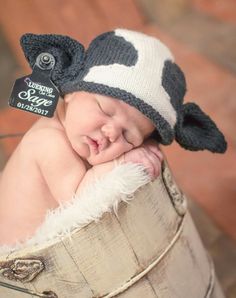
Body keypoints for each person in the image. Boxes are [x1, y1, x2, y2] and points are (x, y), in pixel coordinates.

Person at [0, 28, 227, 245]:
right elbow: (79, 203)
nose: (111, 133)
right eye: (105, 111)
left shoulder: (76, 129)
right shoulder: (49, 143)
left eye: (129, 137)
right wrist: (121, 161)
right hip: (16, 260)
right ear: (70, 93)